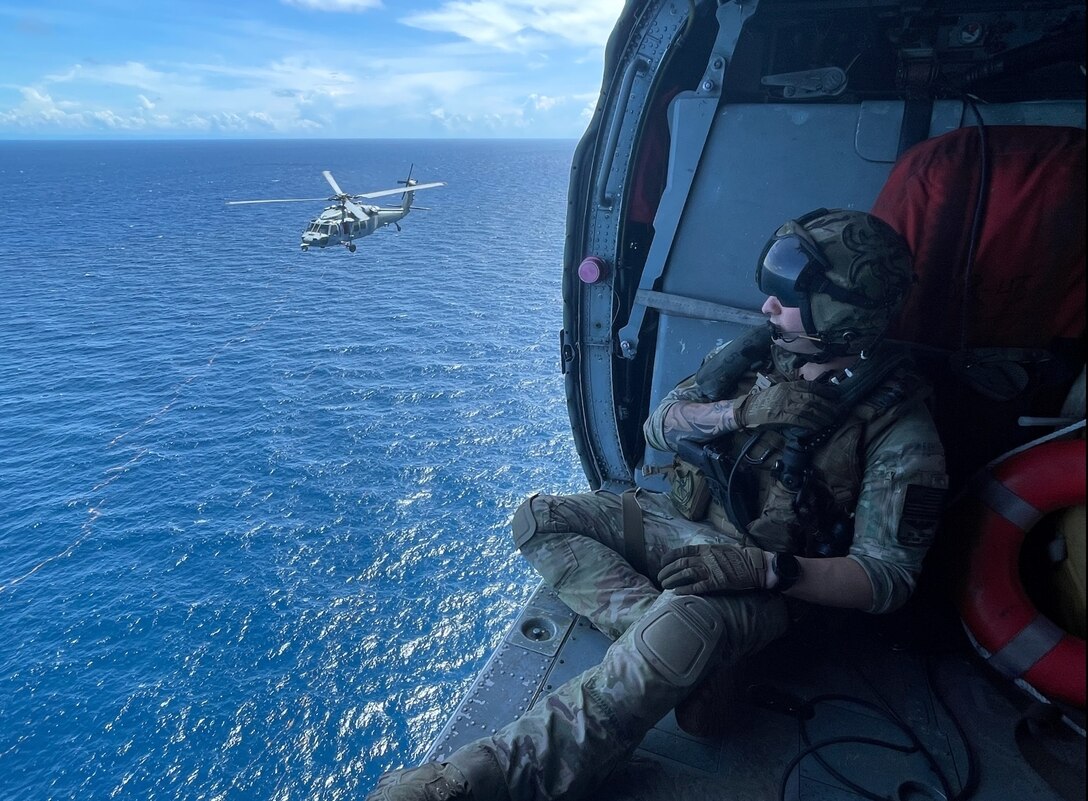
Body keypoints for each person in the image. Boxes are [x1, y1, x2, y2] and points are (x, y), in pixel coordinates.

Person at [368, 209, 948, 801]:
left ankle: (482, 779)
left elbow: (888, 578)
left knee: (685, 620)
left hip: (765, 579)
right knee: (539, 518)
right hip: (681, 523)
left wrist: (767, 570)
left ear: (841, 313)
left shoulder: (899, 429)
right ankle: (678, 656)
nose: (767, 308)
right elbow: (660, 426)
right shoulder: (760, 356)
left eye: (786, 298)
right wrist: (740, 413)